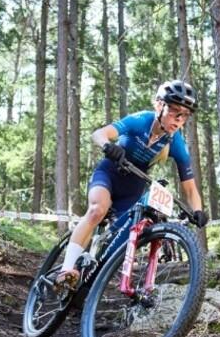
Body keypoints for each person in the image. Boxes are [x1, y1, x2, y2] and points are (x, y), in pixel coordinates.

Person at [54, 80, 208, 291]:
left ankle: (92, 282)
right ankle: (66, 270)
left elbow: (190, 188)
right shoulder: (140, 121)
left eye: (185, 115)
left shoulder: (176, 143)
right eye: (174, 111)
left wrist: (198, 210)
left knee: (126, 236)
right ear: (159, 105)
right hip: (110, 172)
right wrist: (108, 145)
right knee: (97, 210)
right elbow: (98, 134)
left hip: (134, 185)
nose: (179, 119)